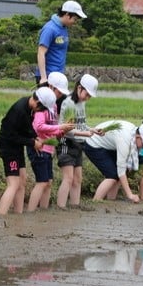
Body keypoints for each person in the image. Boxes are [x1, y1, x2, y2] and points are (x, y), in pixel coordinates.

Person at [0, 87, 56, 215]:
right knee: (13, 183)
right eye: (43, 108)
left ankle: (18, 214)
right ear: (37, 102)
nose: (42, 111)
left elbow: (27, 128)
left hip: (16, 146)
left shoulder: (29, 108)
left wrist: (35, 137)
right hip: (8, 147)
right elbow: (10, 135)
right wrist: (32, 142)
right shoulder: (20, 110)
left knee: (22, 179)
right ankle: (1, 216)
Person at [28, 75, 74, 212]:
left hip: (48, 149)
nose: (60, 96)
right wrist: (59, 128)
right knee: (42, 182)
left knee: (48, 183)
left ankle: (43, 212)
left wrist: (63, 131)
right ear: (51, 87)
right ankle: (30, 213)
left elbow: (53, 129)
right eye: (59, 92)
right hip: (38, 147)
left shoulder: (53, 106)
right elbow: (39, 126)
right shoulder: (43, 104)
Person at [56, 74, 102, 209]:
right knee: (68, 178)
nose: (88, 98)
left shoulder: (82, 103)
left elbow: (81, 124)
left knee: (78, 179)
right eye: (87, 94)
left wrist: (93, 130)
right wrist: (85, 134)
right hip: (66, 142)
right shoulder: (68, 103)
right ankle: (60, 208)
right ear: (79, 88)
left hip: (78, 144)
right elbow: (65, 129)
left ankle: (75, 207)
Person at [84, 121, 143, 203]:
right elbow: (121, 171)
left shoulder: (133, 134)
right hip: (93, 144)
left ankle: (111, 201)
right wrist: (130, 195)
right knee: (112, 175)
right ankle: (96, 202)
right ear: (138, 137)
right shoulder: (125, 140)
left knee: (118, 175)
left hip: (108, 145)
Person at [36, 0, 87, 84]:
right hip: (48, 76)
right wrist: (43, 77)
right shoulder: (50, 29)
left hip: (59, 75)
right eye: (75, 19)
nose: (75, 22)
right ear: (67, 15)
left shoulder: (63, 28)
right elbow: (41, 52)